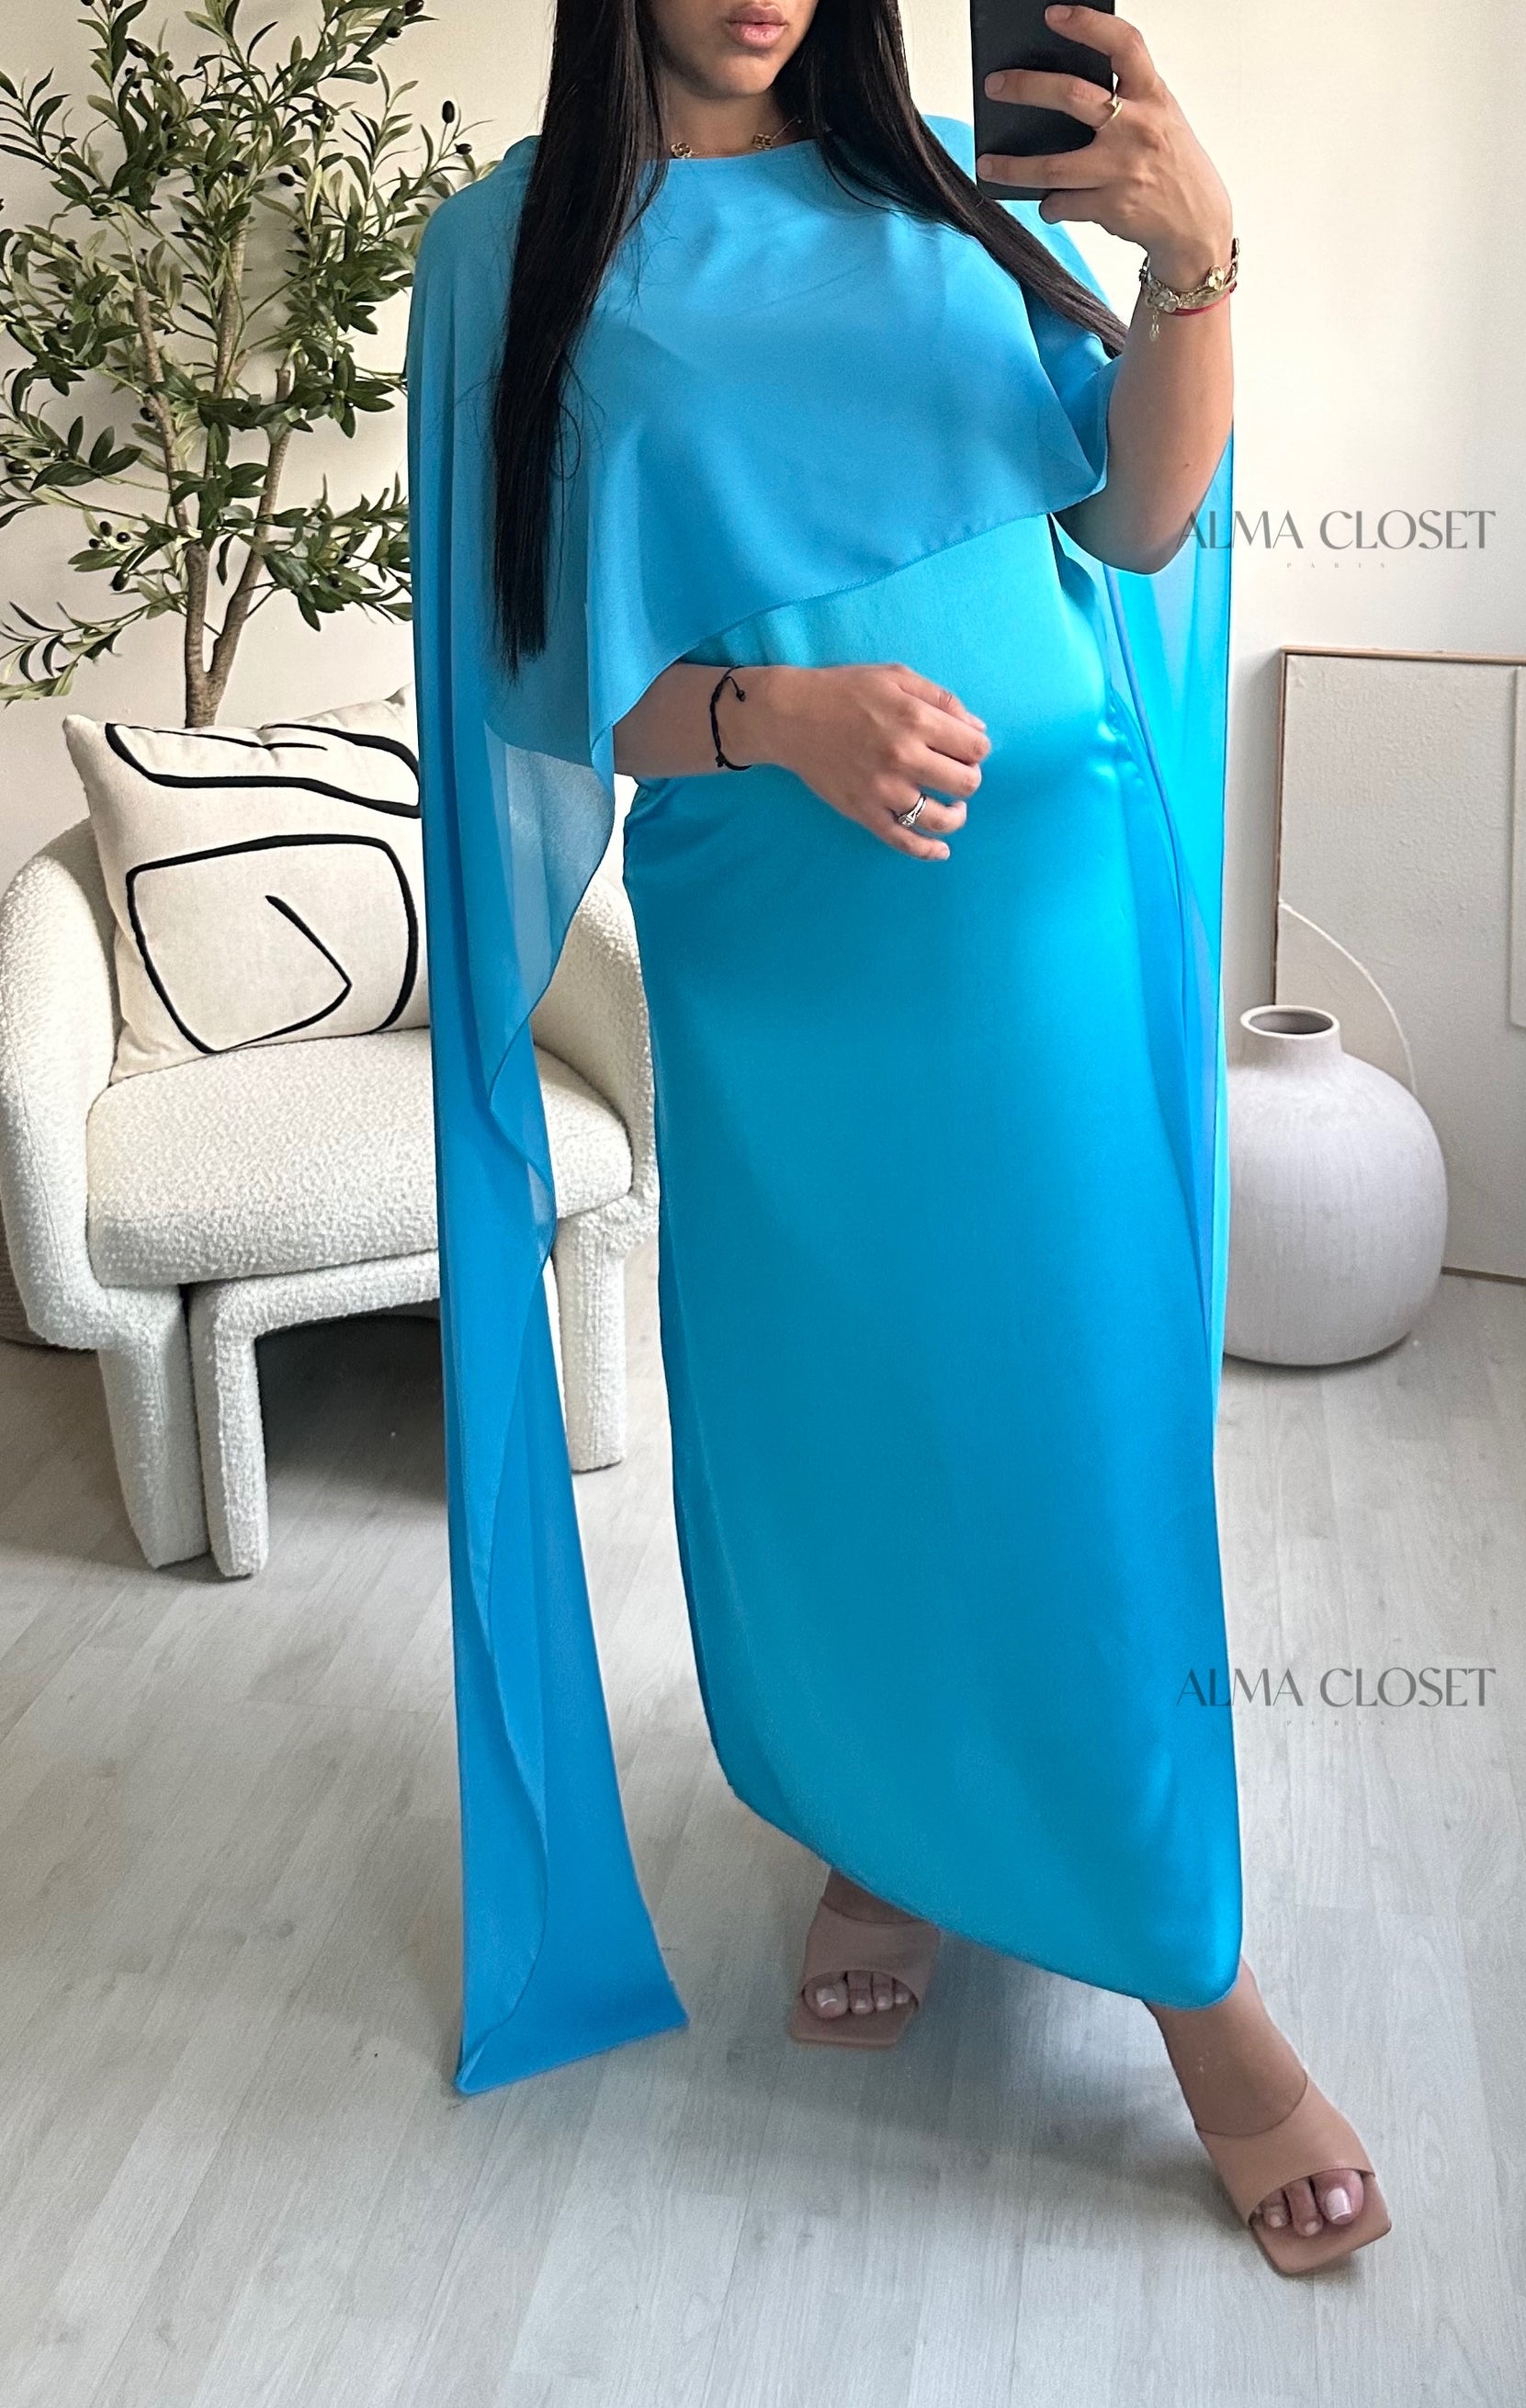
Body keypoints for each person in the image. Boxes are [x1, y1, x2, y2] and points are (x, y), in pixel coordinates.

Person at [407, 0, 1389, 2277]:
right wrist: (773, 713)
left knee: (1076, 1434)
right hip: (784, 965)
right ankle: (881, 1824)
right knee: (840, 1422)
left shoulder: (959, 177)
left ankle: (1198, 1987)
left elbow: (1136, 519)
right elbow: (529, 673)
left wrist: (1194, 259)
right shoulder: (506, 254)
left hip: (1046, 930)